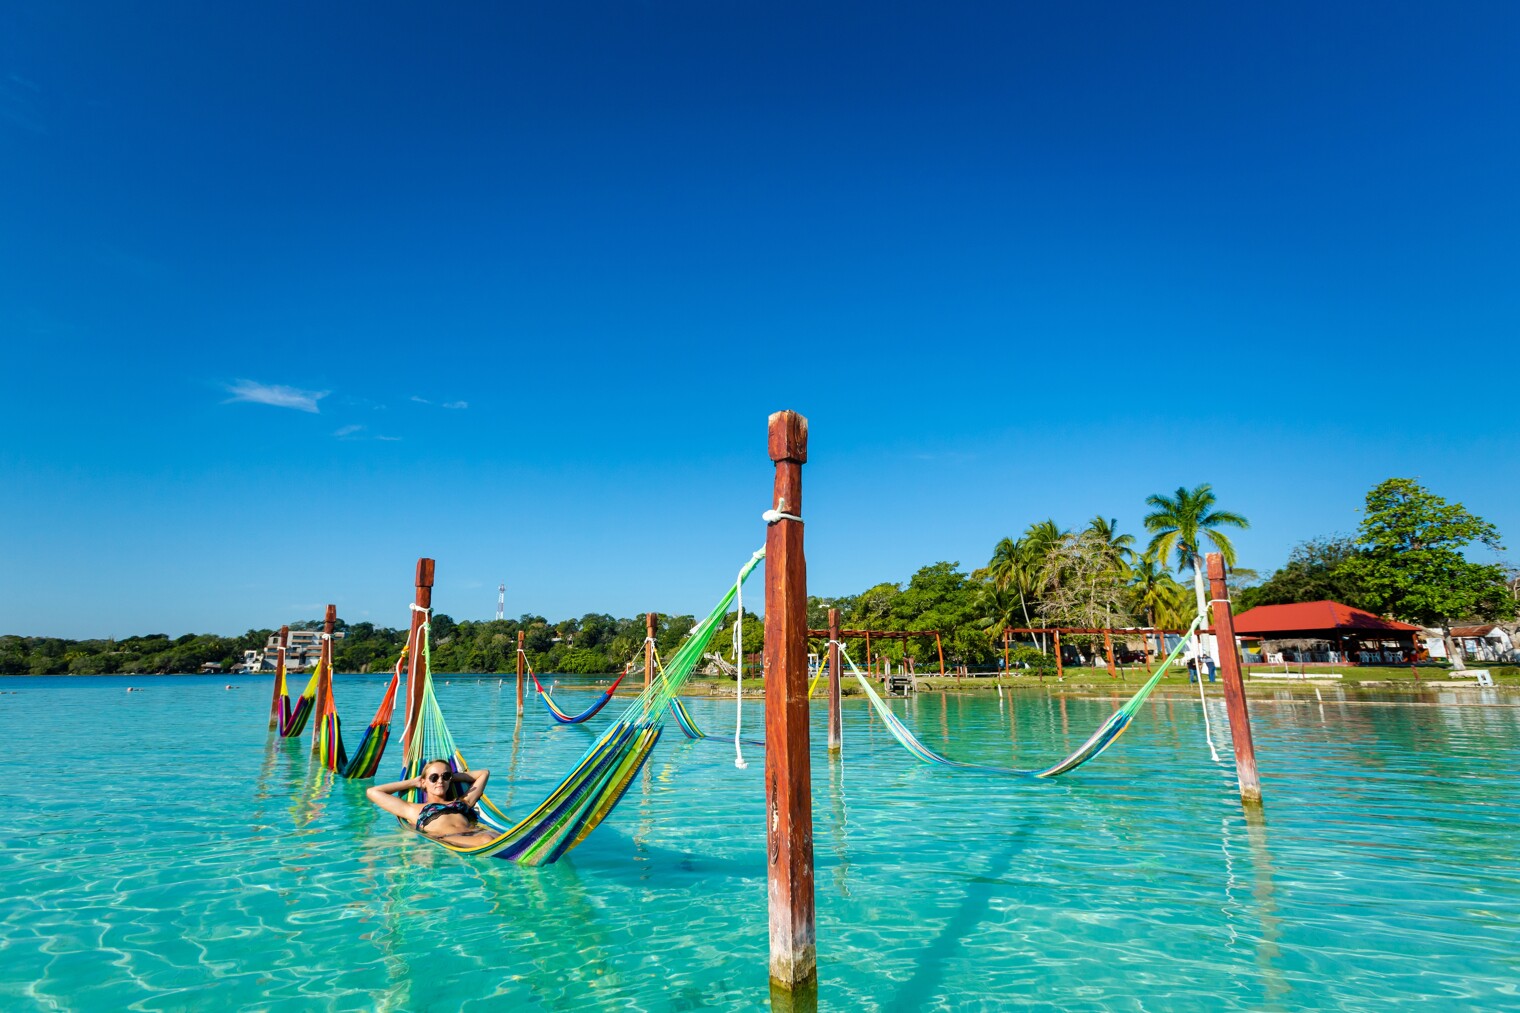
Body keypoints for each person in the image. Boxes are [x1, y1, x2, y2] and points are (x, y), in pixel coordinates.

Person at [366, 759, 493, 842]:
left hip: (475, 832)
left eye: (445, 776)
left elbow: (484, 774)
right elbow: (372, 792)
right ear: (424, 782)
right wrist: (413, 782)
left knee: (497, 836)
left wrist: (452, 778)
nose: (440, 781)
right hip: (450, 839)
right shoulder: (413, 809)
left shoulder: (463, 801)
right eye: (434, 777)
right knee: (487, 839)